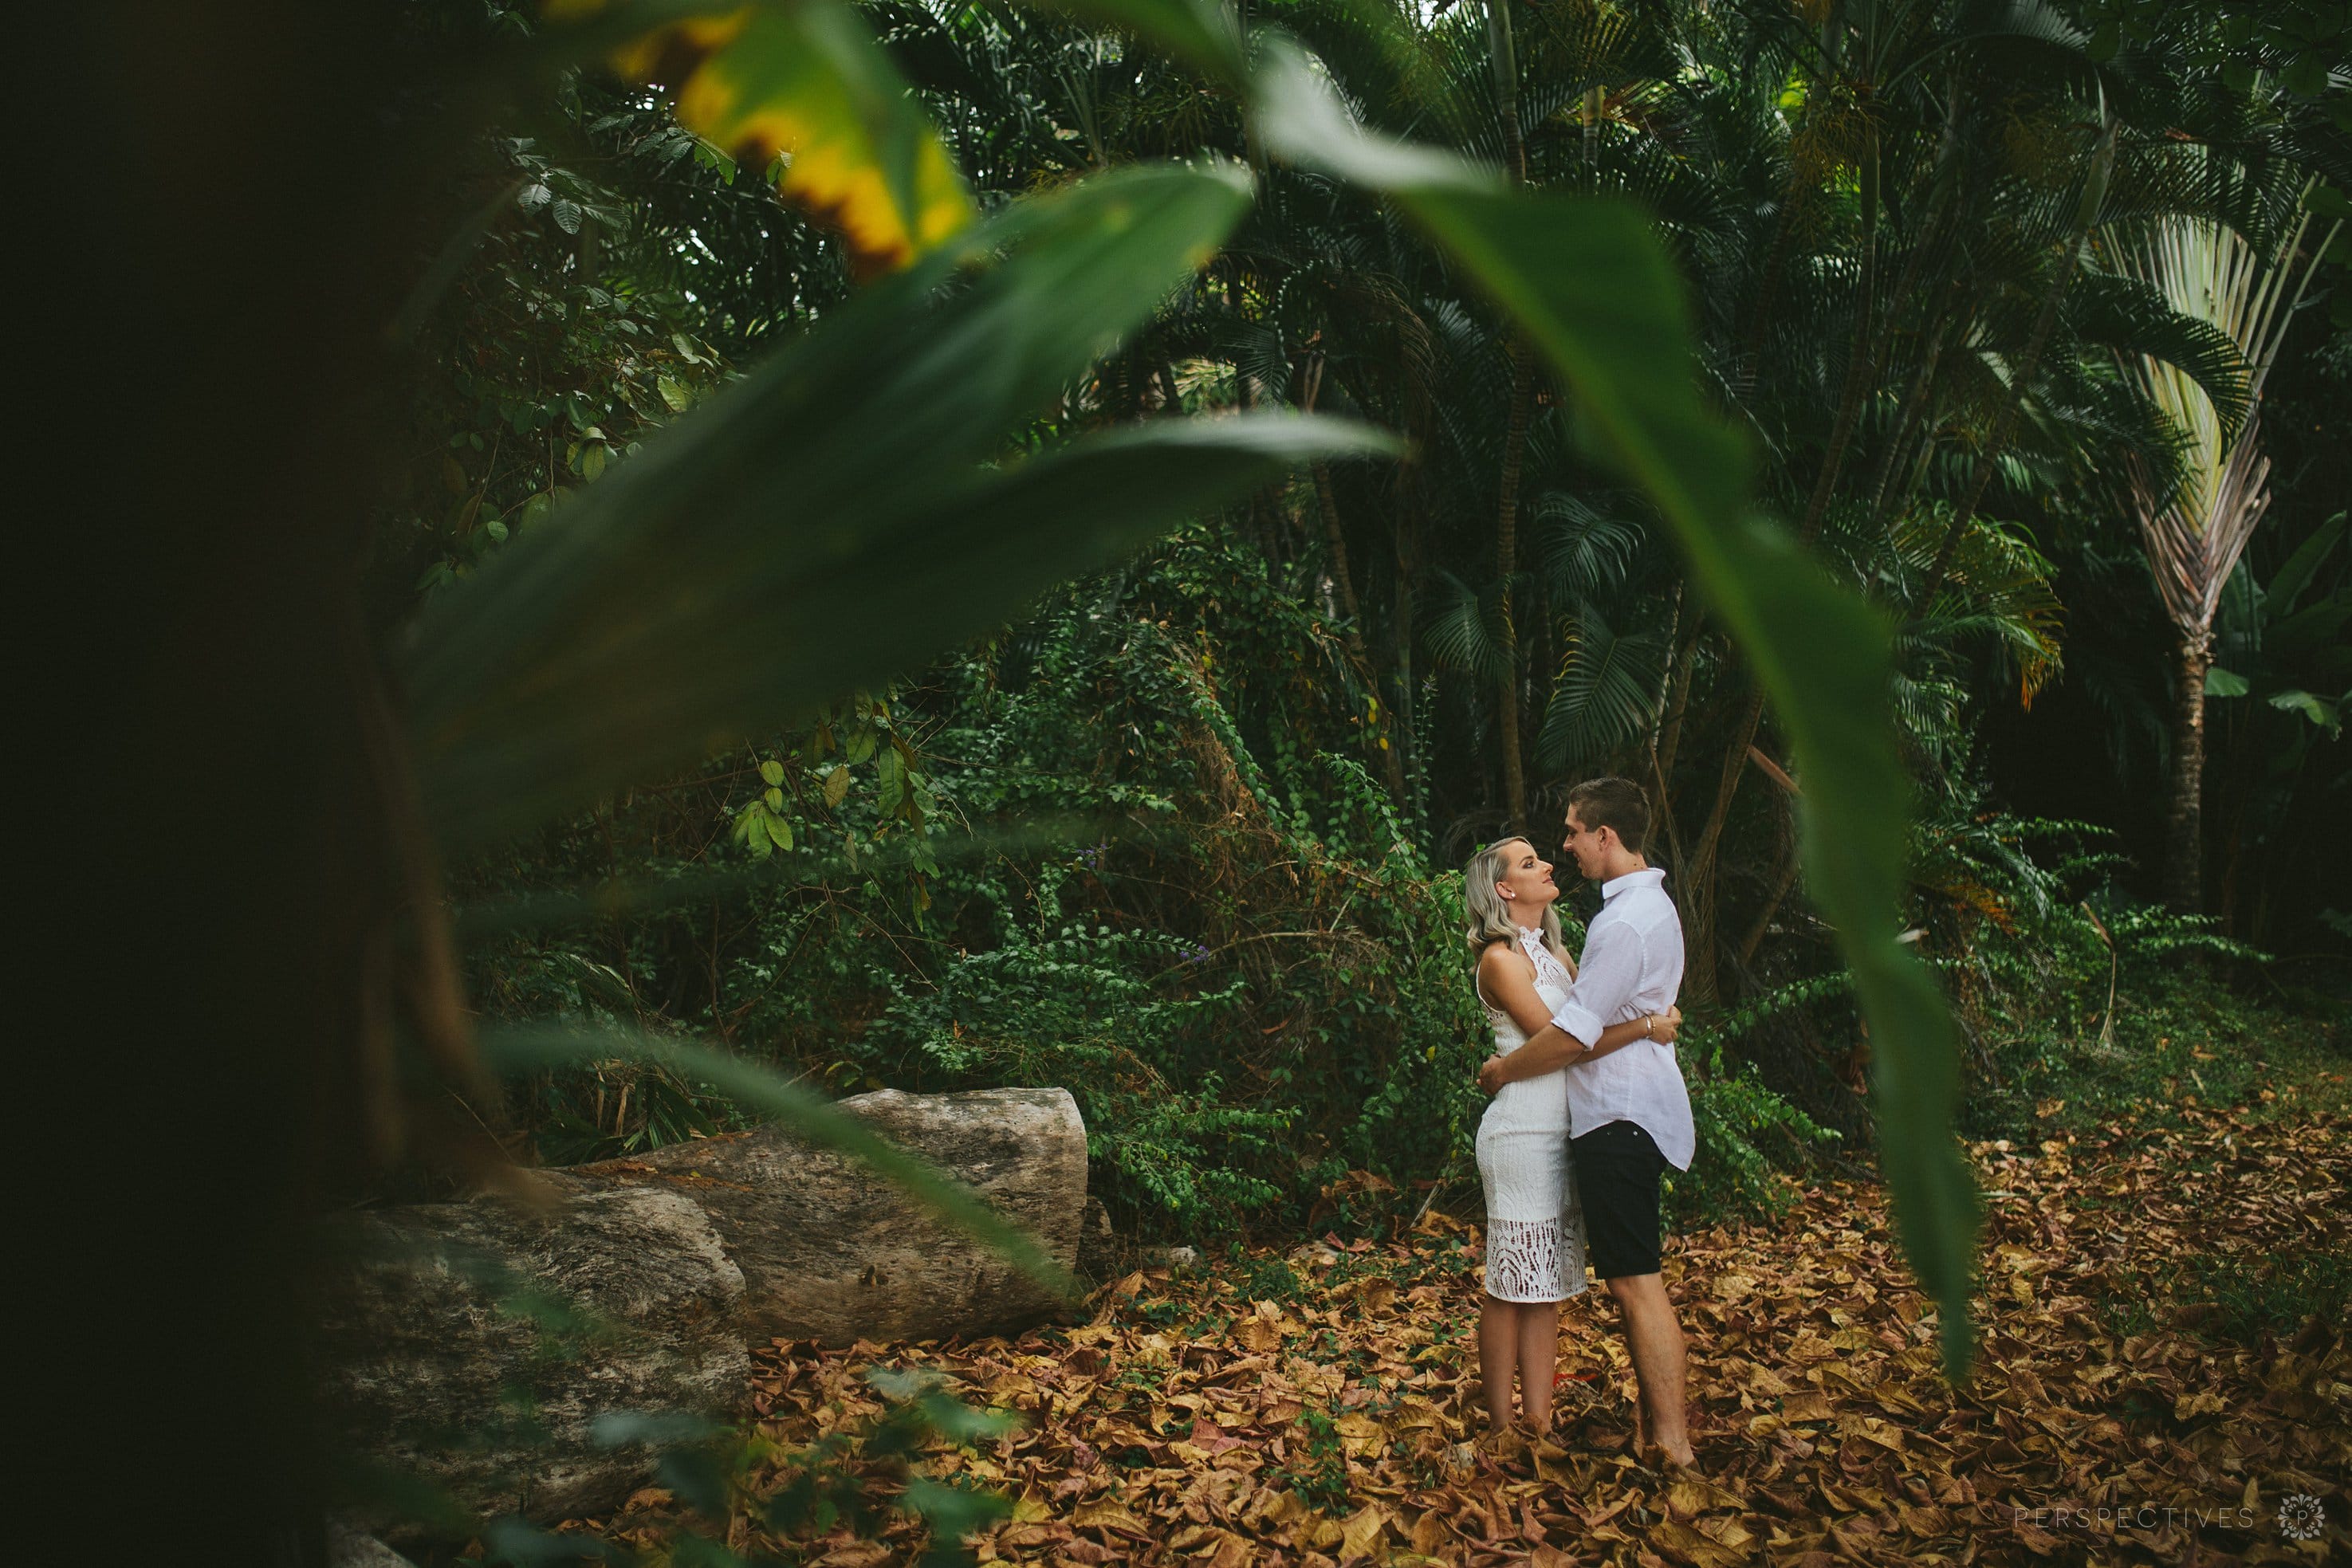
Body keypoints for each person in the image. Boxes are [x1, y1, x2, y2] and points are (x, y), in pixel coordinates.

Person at [1477, 778, 1698, 1468]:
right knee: (1525, 1278)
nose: (1560, 849)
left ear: (1606, 837)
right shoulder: (1517, 953)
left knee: (1603, 1283)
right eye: (1537, 855)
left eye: (1570, 834)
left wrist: (1503, 1069)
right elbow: (1566, 1030)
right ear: (1505, 891)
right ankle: (1516, 1424)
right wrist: (1649, 1023)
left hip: (1604, 1119)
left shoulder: (1605, 930)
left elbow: (1572, 1035)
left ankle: (1655, 1437)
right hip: (1542, 1127)